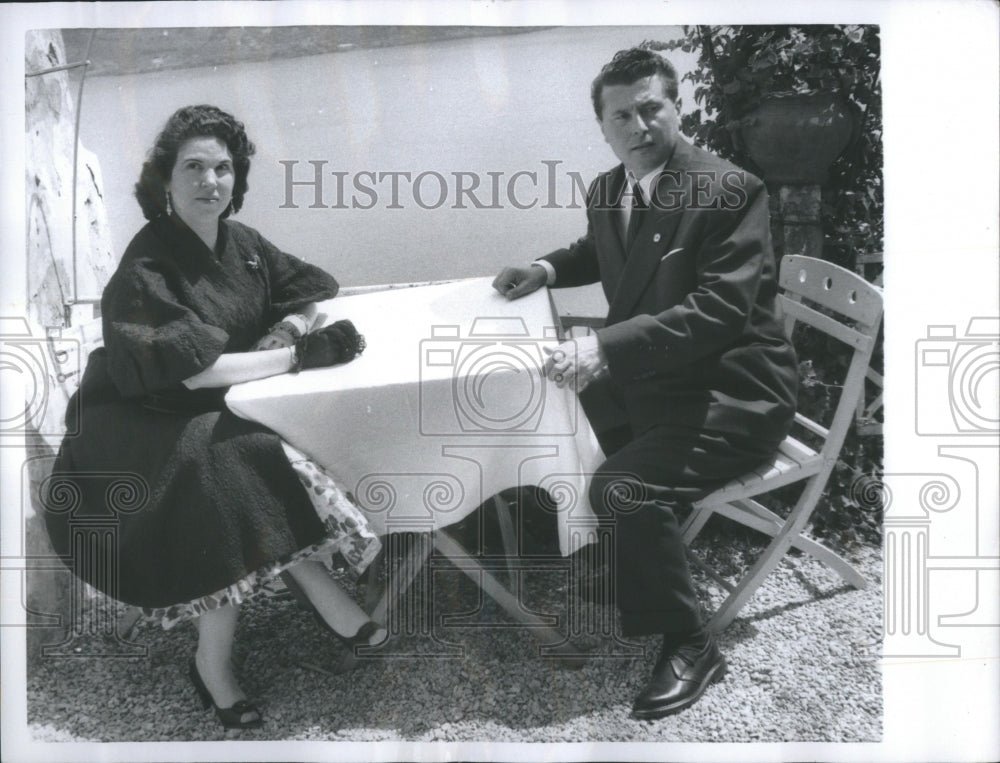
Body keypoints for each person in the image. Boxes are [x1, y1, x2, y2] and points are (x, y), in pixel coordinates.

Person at [45, 105, 386, 730]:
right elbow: (193, 373)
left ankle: (308, 596)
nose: (211, 182)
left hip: (211, 408)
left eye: (223, 169)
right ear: (164, 182)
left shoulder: (244, 244)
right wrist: (299, 355)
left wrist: (287, 325)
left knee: (238, 449)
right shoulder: (146, 268)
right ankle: (217, 661)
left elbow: (309, 292)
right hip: (134, 425)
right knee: (225, 463)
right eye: (194, 167)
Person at [493, 45, 798, 719]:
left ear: (677, 107)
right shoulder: (609, 188)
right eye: (621, 114)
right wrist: (545, 269)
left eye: (652, 106)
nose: (639, 124)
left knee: (621, 486)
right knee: (559, 406)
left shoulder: (726, 190)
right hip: (661, 380)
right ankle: (631, 558)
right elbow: (603, 249)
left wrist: (601, 346)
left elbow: (720, 311)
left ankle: (691, 642)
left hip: (733, 392)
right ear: (602, 127)